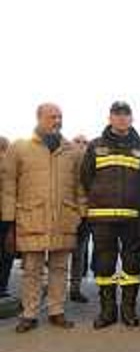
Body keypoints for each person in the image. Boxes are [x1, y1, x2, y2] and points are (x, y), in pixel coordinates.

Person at [2, 103, 86, 333]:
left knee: (60, 268)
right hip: (31, 216)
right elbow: (9, 186)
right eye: (52, 117)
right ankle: (29, 313)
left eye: (60, 116)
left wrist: (81, 213)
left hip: (64, 217)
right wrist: (9, 222)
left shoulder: (72, 151)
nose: (57, 121)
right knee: (32, 269)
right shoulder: (20, 148)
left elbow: (80, 186)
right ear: (39, 117)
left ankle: (56, 311)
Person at [81, 102, 140, 329]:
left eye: (125, 115)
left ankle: (128, 309)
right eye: (117, 115)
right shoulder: (95, 146)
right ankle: (107, 311)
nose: (121, 119)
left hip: (134, 218)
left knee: (132, 265)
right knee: (104, 265)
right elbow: (86, 179)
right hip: (103, 217)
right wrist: (99, 198)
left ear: (131, 118)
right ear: (109, 118)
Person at [68, 134, 92, 303]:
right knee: (57, 256)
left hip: (84, 216)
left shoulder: (90, 164)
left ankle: (75, 288)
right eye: (78, 141)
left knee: (79, 253)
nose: (82, 145)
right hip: (64, 214)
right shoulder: (63, 163)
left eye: (85, 142)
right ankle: (53, 289)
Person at [0, 136, 15, 299]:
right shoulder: (10, 166)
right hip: (8, 216)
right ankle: (2, 287)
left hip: (6, 214)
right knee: (6, 255)